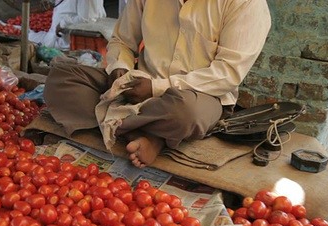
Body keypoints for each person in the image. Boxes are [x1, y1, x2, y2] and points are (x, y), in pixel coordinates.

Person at [44, 0, 272, 168]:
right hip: (136, 87)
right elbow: (122, 40)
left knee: (185, 114)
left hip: (198, 95)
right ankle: (147, 133)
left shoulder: (247, 4)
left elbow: (228, 73)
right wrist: (119, 67)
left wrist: (156, 88)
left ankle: (144, 132)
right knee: (62, 77)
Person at [31, 0, 106, 49]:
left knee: (29, 40)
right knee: (27, 34)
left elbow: (87, 18)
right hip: (54, 35)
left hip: (66, 42)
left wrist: (62, 24)